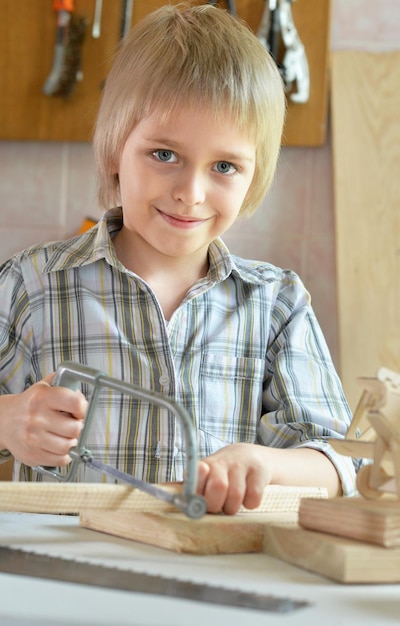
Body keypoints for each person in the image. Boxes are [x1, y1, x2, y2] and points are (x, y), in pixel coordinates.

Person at [0, 2, 360, 515]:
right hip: (62, 581)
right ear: (113, 151)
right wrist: (9, 419)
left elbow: (343, 464)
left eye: (224, 165)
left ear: (254, 177)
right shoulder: (29, 285)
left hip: (212, 581)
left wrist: (266, 464)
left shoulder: (277, 304)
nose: (191, 192)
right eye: (164, 155)